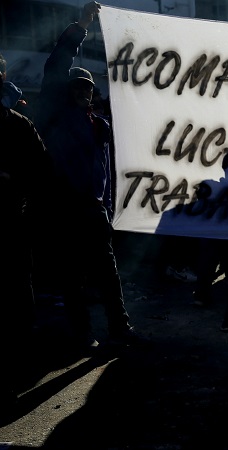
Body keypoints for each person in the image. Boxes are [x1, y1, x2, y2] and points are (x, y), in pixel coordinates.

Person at [36, 2, 146, 348]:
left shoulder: (100, 126)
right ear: (65, 92)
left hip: (95, 209)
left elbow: (107, 170)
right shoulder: (55, 115)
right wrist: (82, 25)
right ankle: (82, 334)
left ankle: (120, 328)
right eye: (77, 88)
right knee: (72, 276)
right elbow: (56, 64)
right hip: (66, 207)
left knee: (107, 274)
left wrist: (110, 206)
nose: (83, 92)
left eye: (87, 88)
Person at [0, 52, 51, 407]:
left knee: (17, 293)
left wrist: (11, 182)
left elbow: (40, 171)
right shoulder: (17, 123)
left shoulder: (18, 124)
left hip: (10, 223)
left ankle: (16, 364)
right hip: (12, 222)